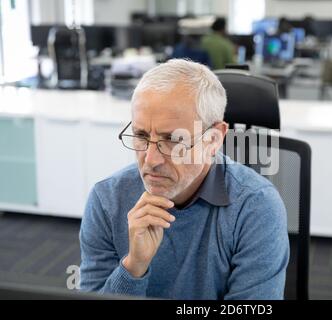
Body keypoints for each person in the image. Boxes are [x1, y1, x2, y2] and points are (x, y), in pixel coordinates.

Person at [79, 59, 290, 299]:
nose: (150, 160)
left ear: (213, 139)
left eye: (172, 139)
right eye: (141, 135)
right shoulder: (107, 199)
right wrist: (133, 266)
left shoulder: (256, 206)